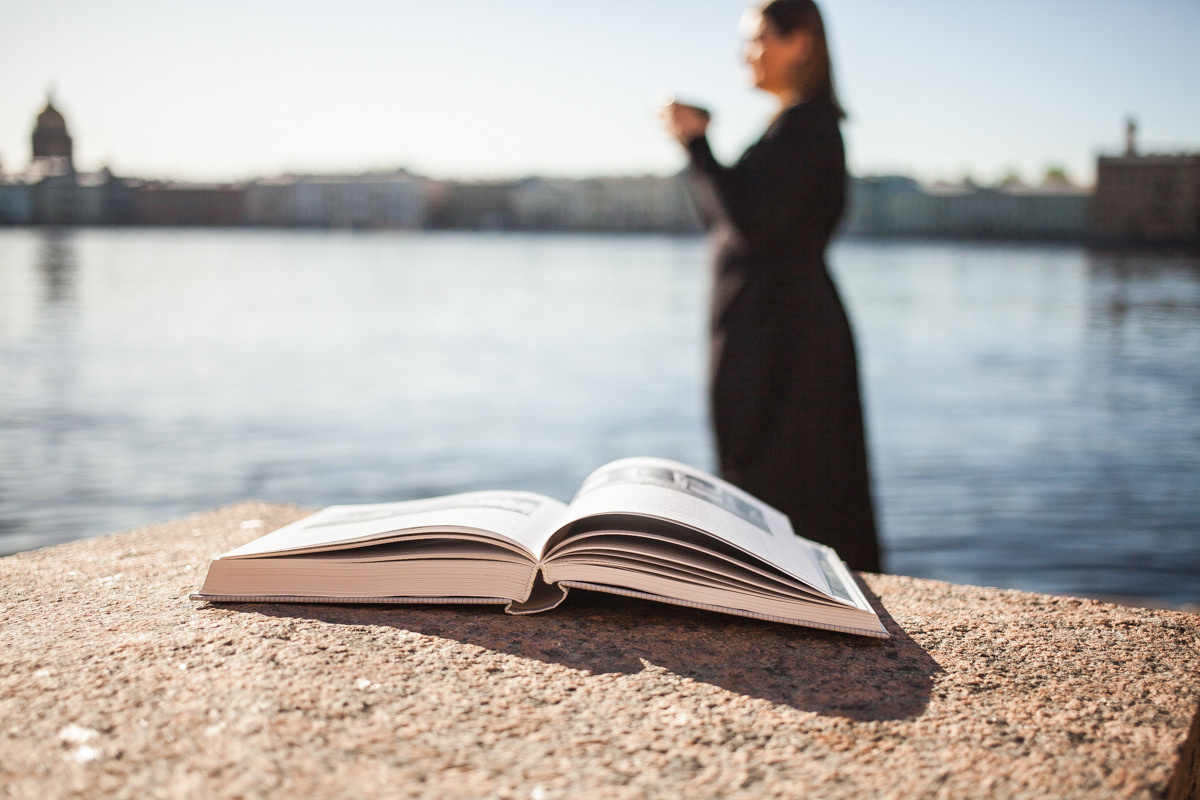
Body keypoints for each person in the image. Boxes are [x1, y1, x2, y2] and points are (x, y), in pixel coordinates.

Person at [663, 0, 881, 571]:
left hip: (785, 345)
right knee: (774, 482)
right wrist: (696, 148)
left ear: (799, 42)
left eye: (757, 39)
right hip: (774, 333)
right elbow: (726, 221)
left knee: (787, 485)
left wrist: (698, 144)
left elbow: (750, 224)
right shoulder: (794, 126)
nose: (746, 55)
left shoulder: (806, 127)